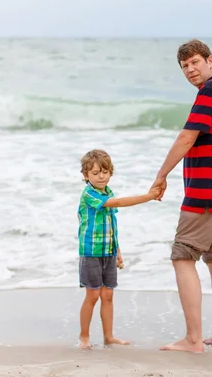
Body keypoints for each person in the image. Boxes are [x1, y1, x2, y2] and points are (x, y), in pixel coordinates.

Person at [151, 39, 212, 353]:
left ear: (210, 60)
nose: (191, 70)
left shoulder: (211, 93)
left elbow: (186, 137)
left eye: (195, 62)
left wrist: (161, 174)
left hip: (206, 190)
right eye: (184, 66)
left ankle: (194, 340)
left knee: (182, 256)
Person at [77, 149, 160, 349]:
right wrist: (147, 197)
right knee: (93, 295)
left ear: (110, 172)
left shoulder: (108, 191)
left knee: (108, 295)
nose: (100, 176)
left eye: (104, 172)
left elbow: (111, 223)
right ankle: (84, 337)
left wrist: (118, 251)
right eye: (95, 173)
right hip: (91, 251)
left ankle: (109, 336)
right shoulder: (89, 194)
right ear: (85, 175)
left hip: (109, 251)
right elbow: (119, 203)